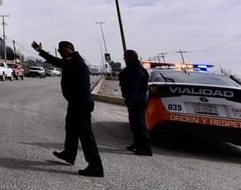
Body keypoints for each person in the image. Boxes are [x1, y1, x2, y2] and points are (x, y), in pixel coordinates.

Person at [33, 39, 104, 177]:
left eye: (61, 50)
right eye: (58, 51)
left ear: (69, 48)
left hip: (81, 104)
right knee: (71, 128)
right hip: (76, 103)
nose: (60, 53)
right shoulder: (72, 60)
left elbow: (58, 62)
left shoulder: (75, 60)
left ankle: (96, 166)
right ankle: (69, 154)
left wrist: (41, 52)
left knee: (85, 135)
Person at [119, 49, 152, 156]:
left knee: (139, 124)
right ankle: (137, 143)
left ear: (131, 57)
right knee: (134, 123)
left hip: (137, 100)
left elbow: (134, 86)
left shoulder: (136, 70)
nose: (124, 58)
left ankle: (146, 148)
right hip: (135, 100)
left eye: (125, 56)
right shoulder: (134, 68)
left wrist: (131, 99)